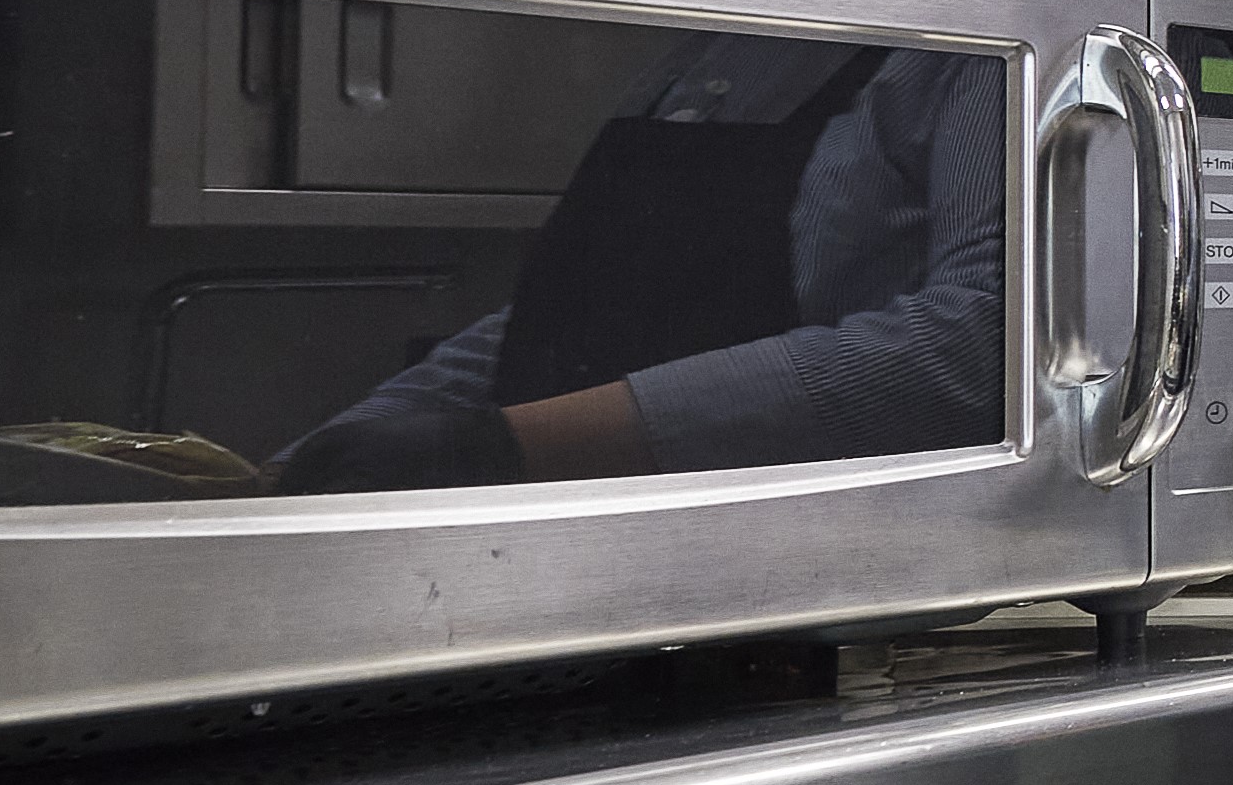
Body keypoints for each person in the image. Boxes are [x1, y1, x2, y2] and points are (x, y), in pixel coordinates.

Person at [279, 33, 1004, 488]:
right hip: (566, 562)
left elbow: (981, 347)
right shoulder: (711, 50)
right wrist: (317, 459)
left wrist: (498, 449)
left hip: (802, 592)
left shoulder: (965, 45)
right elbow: (582, 307)